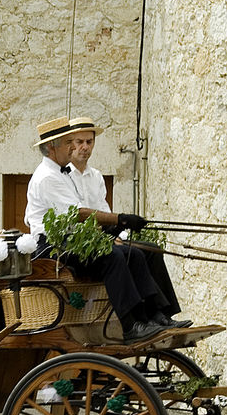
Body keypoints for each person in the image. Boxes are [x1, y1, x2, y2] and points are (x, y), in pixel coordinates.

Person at [23, 116, 183, 343]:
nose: (73, 147)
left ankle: (154, 316)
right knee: (112, 256)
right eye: (69, 142)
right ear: (52, 147)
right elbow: (77, 213)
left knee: (135, 253)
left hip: (74, 239)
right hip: (53, 247)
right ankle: (130, 326)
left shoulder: (61, 173)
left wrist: (116, 227)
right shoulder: (47, 177)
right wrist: (121, 220)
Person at [65, 117, 187, 323]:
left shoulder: (95, 176)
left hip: (100, 239)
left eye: (89, 142)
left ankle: (163, 314)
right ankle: (136, 320)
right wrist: (117, 227)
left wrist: (118, 233)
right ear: (69, 144)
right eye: (79, 142)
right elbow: (77, 215)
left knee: (151, 250)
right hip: (79, 244)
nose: (85, 147)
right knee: (130, 254)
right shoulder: (63, 176)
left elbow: (103, 211)